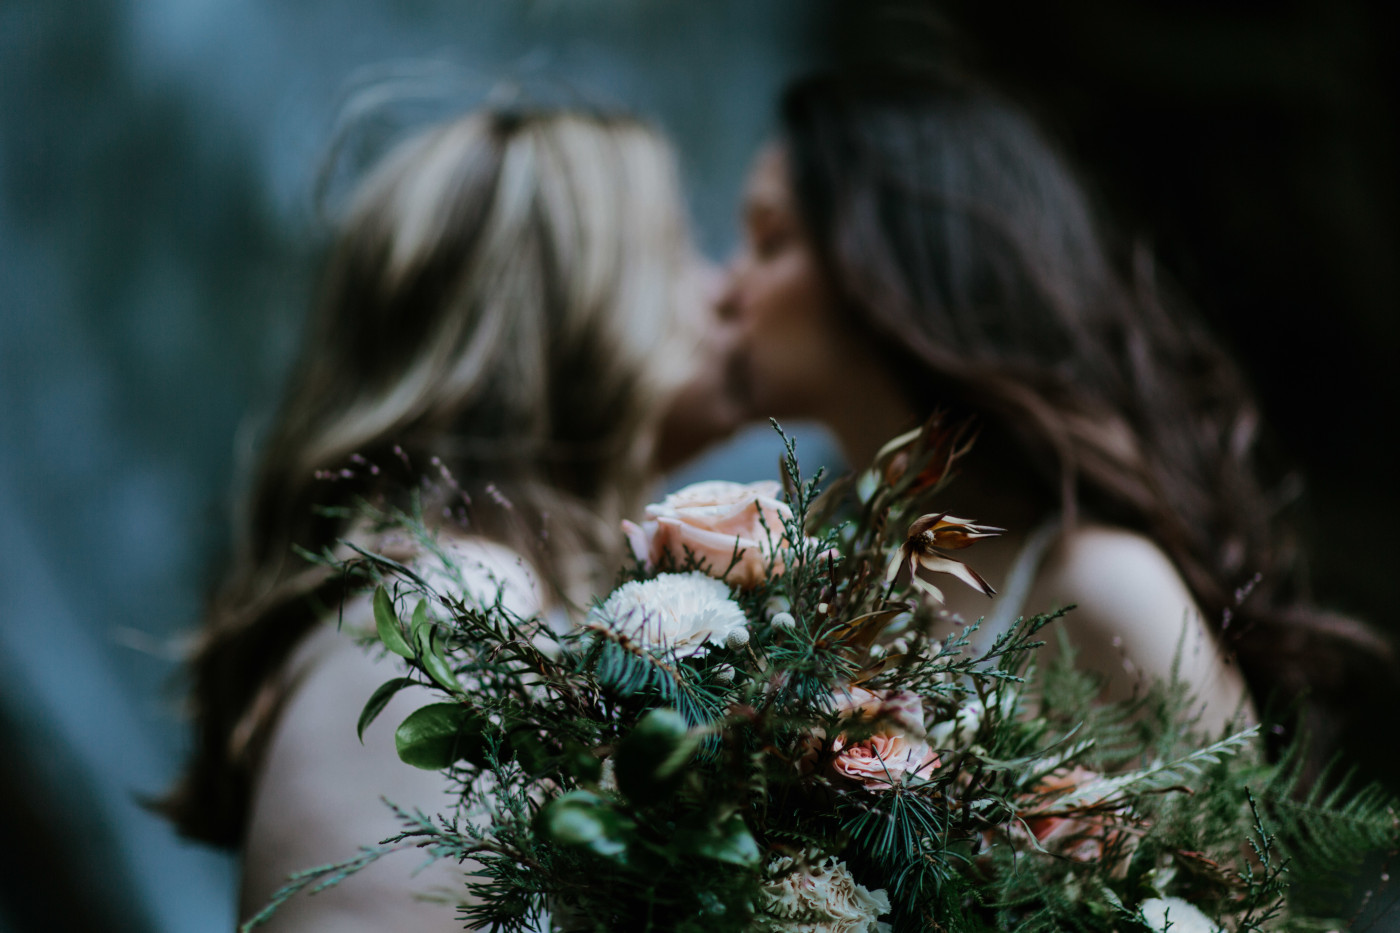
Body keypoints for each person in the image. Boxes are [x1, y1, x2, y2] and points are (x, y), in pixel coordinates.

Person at [712, 66, 1391, 746]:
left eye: (770, 242)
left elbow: (1229, 852)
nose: (726, 287)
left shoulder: (1107, 591)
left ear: (876, 263)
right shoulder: (814, 571)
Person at [158, 106, 711, 931]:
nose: (719, 287)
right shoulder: (454, 605)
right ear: (589, 306)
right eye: (683, 254)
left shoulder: (481, 597)